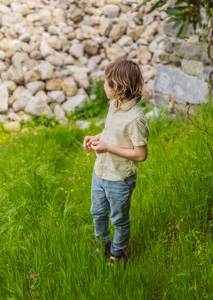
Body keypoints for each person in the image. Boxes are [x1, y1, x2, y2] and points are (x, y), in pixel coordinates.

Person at [83, 60, 149, 266]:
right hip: (100, 172)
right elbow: (110, 132)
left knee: (118, 219)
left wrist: (108, 148)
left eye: (106, 83)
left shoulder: (135, 119)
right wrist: (95, 137)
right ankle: (103, 246)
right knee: (98, 213)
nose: (103, 86)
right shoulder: (114, 105)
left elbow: (140, 154)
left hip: (119, 178)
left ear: (118, 87)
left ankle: (117, 254)